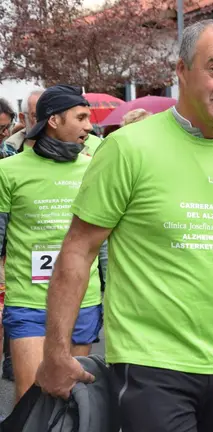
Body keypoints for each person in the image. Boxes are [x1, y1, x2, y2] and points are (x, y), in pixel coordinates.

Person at [35, 19, 213, 431]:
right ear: (182, 71)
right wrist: (56, 351)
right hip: (149, 365)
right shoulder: (127, 148)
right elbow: (78, 249)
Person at [0, 85, 105, 403]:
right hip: (29, 301)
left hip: (82, 300)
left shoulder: (95, 170)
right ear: (54, 120)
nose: (89, 126)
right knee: (31, 398)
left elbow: (103, 242)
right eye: (81, 117)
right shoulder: (8, 171)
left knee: (71, 399)